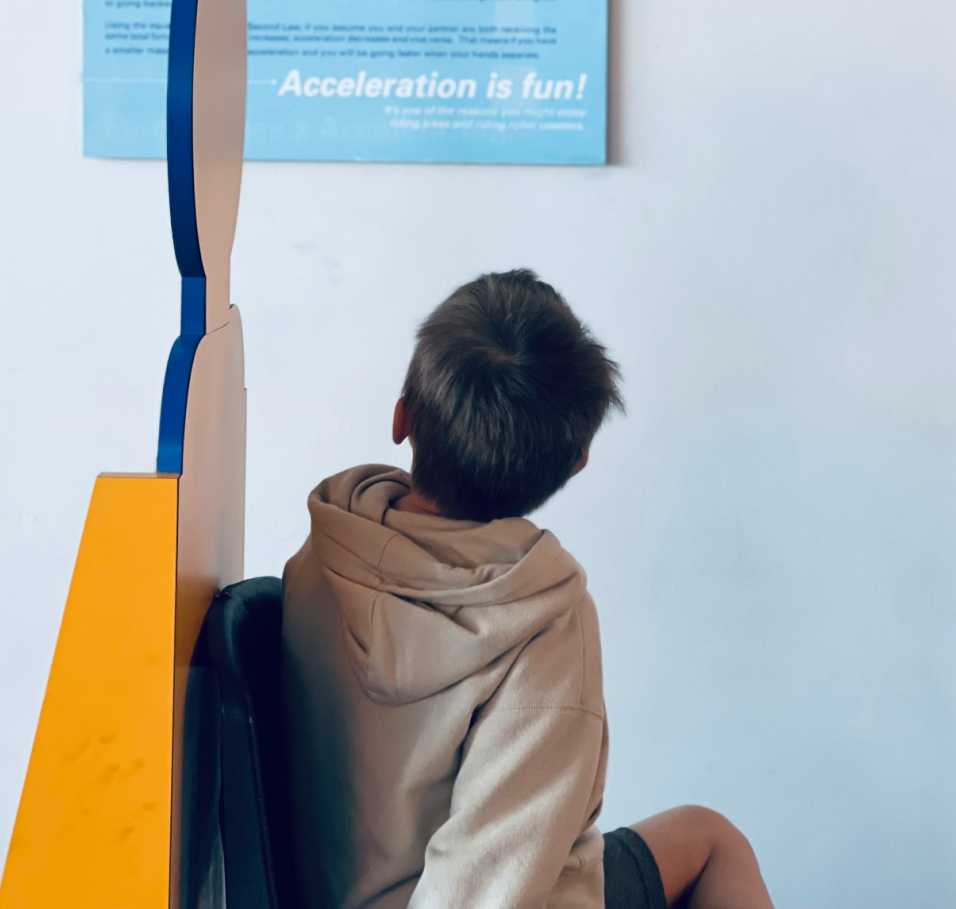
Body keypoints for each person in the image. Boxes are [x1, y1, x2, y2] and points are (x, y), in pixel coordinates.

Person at [283, 269, 776, 909]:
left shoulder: (328, 548)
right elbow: (488, 889)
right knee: (714, 840)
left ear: (402, 415)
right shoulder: (541, 623)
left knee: (701, 832)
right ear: (575, 463)